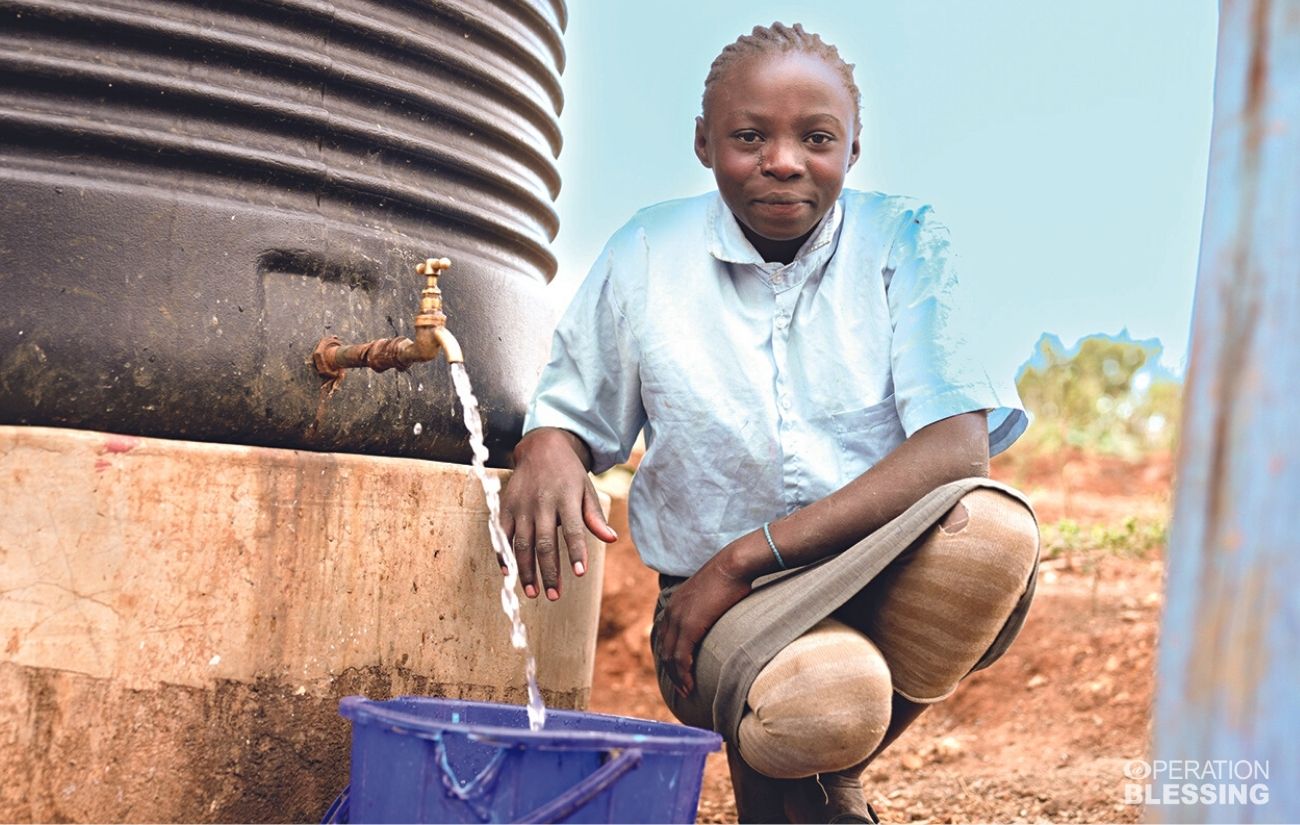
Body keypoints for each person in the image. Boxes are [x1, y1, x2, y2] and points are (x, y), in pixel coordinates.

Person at [501, 22, 1040, 824]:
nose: (784, 160)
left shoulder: (903, 240)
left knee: (993, 537)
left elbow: (958, 446)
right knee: (826, 697)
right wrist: (548, 441)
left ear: (853, 150)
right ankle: (803, 757)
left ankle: (803, 777)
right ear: (704, 142)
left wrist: (745, 557)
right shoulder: (647, 252)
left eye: (816, 137)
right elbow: (577, 414)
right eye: (749, 136)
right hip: (718, 614)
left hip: (862, 571)